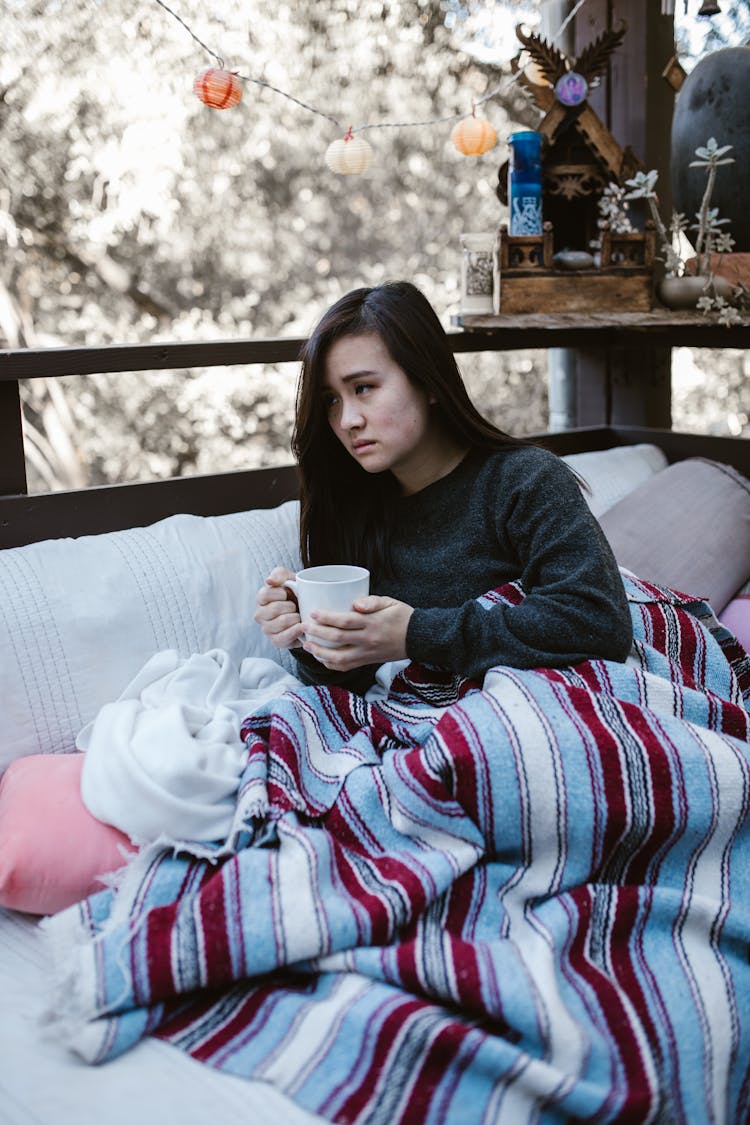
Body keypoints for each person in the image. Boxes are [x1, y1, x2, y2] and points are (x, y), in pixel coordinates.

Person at [254, 280, 633, 693]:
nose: (347, 421)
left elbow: (598, 622)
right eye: (331, 400)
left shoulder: (525, 480)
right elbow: (352, 682)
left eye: (364, 388)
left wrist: (415, 633)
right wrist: (307, 637)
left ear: (429, 382)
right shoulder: (351, 506)